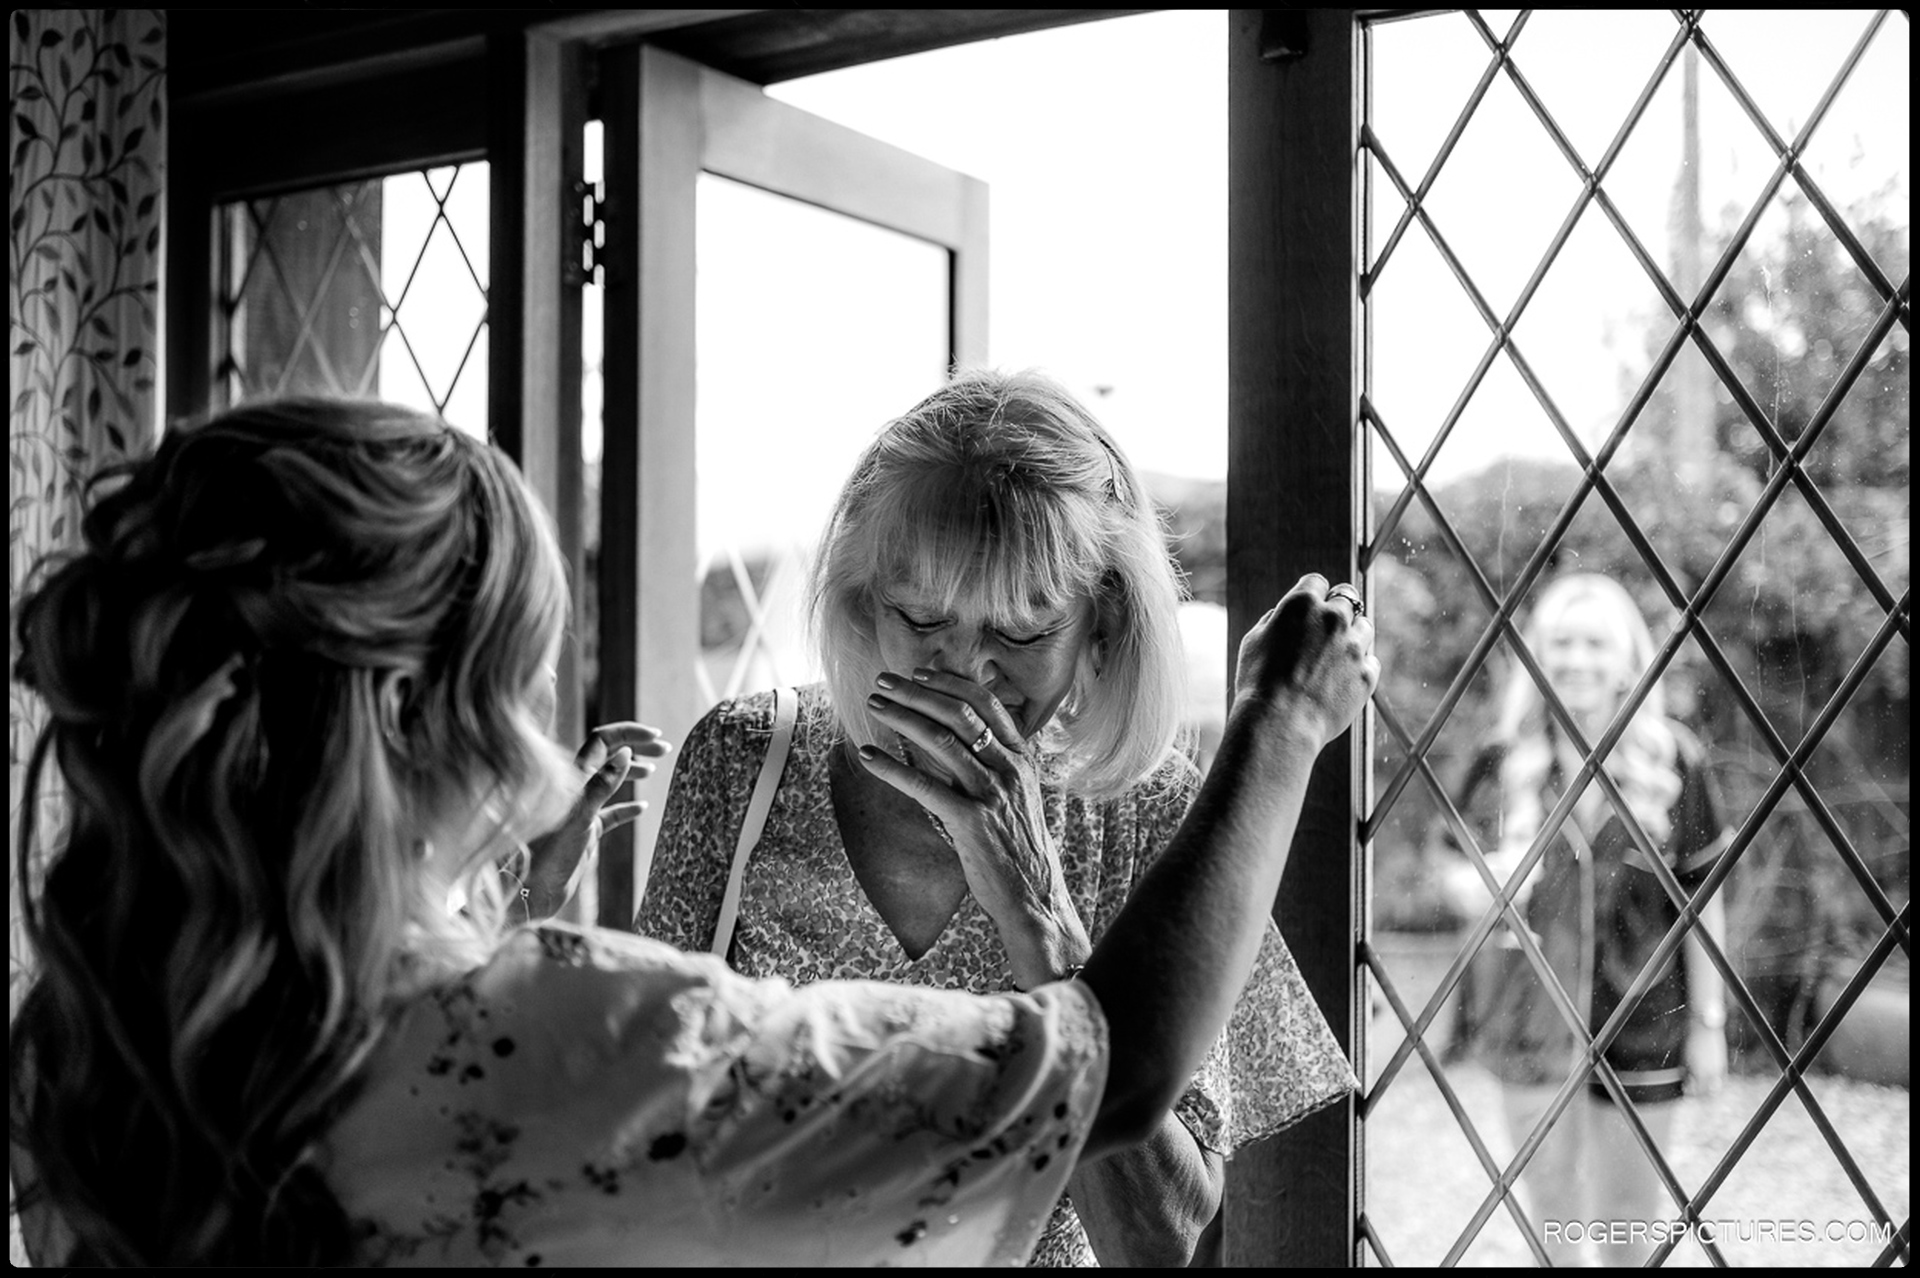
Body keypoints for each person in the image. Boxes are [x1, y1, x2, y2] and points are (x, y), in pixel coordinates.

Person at [7, 396, 1378, 1267]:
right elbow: (1109, 1069)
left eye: (1018, 630)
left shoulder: (88, 1034)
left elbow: (1171, 1218)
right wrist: (1282, 721)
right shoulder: (579, 1028)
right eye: (524, 680)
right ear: (423, 718)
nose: (964, 671)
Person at [637, 369, 1357, 1266]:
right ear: (864, 604)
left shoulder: (1147, 811)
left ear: (1101, 625)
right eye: (922, 618)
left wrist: (1034, 904)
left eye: (1021, 633)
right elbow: (641, 1131)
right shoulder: (745, 762)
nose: (967, 673)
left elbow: (1157, 1237)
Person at [1434, 573, 1729, 1267]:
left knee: (1629, 1220)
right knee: (1555, 1219)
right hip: (1530, 1021)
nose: (1576, 659)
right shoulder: (1501, 759)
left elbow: (1704, 898)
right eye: (1560, 642)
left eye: (1596, 643)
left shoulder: (1676, 758)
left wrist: (1710, 1024)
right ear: (1538, 654)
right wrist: (1476, 887)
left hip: (1644, 1023)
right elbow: (1447, 870)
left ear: (1628, 657)